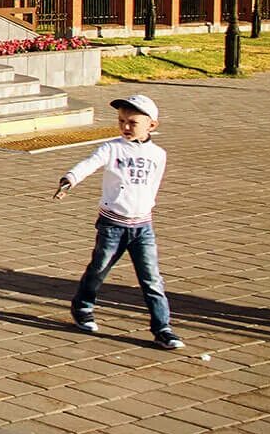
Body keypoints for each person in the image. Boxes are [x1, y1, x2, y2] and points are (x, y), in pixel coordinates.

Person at [53, 93, 182, 349]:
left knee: (152, 279)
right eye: (121, 120)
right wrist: (69, 180)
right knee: (99, 269)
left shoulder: (158, 155)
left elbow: (151, 187)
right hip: (112, 225)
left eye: (132, 122)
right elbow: (90, 164)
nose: (124, 126)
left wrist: (143, 208)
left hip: (143, 227)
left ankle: (162, 327)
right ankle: (82, 308)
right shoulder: (111, 148)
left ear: (151, 125)